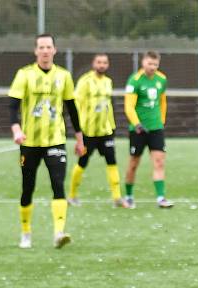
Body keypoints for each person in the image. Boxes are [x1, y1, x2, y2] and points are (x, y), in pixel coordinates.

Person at [8, 33, 84, 249]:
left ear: (54, 50)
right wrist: (16, 129)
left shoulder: (64, 76)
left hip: (55, 140)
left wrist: (80, 139)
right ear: (35, 51)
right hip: (29, 142)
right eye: (41, 47)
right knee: (27, 188)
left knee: (58, 185)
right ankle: (26, 233)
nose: (45, 51)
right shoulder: (24, 75)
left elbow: (72, 108)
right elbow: (13, 105)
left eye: (48, 47)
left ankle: (59, 233)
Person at [69, 53, 128, 208]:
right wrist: (78, 132)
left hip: (106, 131)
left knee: (112, 162)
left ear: (107, 65)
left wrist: (112, 125)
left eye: (104, 62)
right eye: (99, 62)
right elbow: (75, 104)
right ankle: (72, 196)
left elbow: (108, 106)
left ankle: (117, 198)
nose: (102, 65)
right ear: (93, 63)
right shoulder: (85, 81)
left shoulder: (108, 82)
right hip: (88, 132)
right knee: (82, 162)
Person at [123, 51, 172, 208]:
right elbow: (129, 106)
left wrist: (161, 120)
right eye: (150, 64)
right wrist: (137, 124)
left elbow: (163, 101)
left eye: (155, 64)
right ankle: (129, 196)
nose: (152, 67)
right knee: (133, 163)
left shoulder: (162, 79)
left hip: (156, 128)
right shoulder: (135, 80)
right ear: (143, 62)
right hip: (138, 129)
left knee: (159, 162)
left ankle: (161, 198)